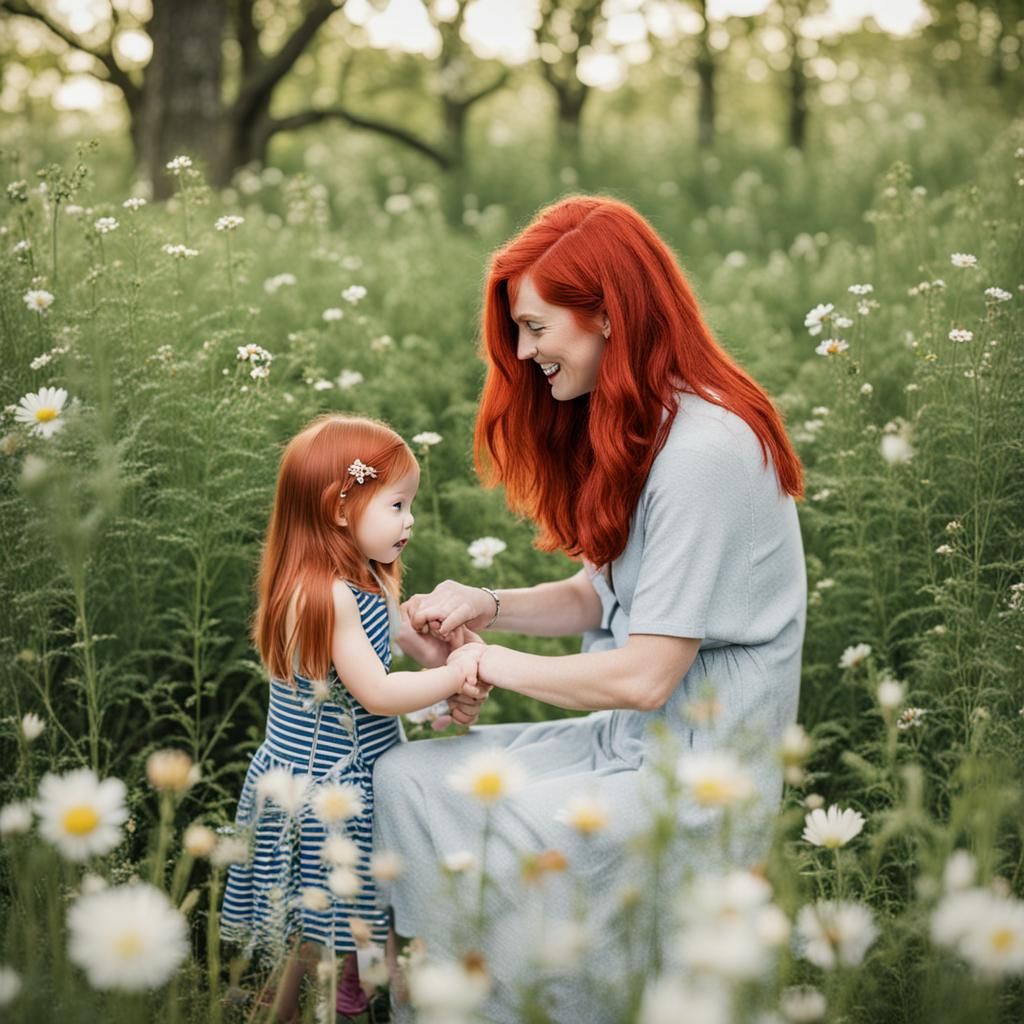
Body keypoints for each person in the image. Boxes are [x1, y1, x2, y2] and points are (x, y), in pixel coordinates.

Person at [372, 196, 807, 1023]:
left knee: (519, 827)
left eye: (536, 328)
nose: (525, 352)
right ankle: (438, 997)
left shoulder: (707, 452)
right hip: (624, 747)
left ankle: (520, 1001)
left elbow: (647, 674)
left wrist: (479, 664)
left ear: (607, 313)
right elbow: (596, 597)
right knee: (407, 779)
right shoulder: (641, 426)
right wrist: (485, 605)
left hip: (694, 782)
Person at [219, 413, 486, 1023]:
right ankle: (281, 1010)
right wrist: (461, 673)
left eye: (409, 504)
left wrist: (449, 658)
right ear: (341, 511)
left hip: (354, 772)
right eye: (396, 505)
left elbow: (411, 651)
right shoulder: (325, 595)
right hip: (322, 786)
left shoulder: (363, 577)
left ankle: (357, 989)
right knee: (314, 924)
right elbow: (378, 693)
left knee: (361, 900)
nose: (409, 519)